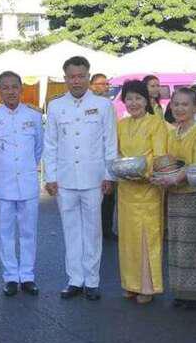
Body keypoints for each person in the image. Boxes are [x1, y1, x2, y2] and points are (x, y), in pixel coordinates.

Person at [43, 56, 117, 301]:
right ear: (65, 78)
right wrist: (50, 176)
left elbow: (110, 143)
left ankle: (92, 281)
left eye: (81, 76)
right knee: (70, 230)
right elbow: (50, 144)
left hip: (93, 178)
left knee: (93, 231)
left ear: (88, 77)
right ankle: (75, 279)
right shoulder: (55, 106)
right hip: (65, 179)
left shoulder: (103, 105)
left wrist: (109, 175)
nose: (76, 81)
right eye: (72, 77)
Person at [0, 71, 44, 296]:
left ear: (21, 89)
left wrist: (25, 168)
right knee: (5, 233)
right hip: (3, 183)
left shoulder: (34, 115)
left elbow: (38, 148)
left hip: (27, 183)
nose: (10, 91)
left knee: (29, 232)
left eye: (14, 87)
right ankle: (10, 276)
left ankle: (27, 276)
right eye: (5, 88)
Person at [153, 87, 196, 309]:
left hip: (193, 196)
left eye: (185, 104)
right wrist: (160, 173)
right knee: (176, 243)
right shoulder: (172, 132)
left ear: (195, 107)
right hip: (174, 195)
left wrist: (175, 178)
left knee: (193, 246)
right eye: (176, 104)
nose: (179, 108)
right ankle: (180, 290)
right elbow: (166, 160)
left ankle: (194, 295)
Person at [115, 80, 167, 304]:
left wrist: (143, 171)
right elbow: (116, 153)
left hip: (147, 189)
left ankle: (148, 287)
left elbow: (160, 155)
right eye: (129, 98)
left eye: (138, 98)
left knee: (147, 238)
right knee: (128, 239)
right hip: (126, 189)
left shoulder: (156, 123)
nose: (133, 103)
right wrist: (121, 169)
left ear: (147, 101)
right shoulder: (121, 125)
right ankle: (130, 284)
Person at [91, 73, 117, 240]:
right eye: (101, 84)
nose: (106, 87)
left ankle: (106, 229)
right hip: (92, 159)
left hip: (107, 156)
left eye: (107, 84)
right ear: (92, 86)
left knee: (108, 196)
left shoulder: (109, 104)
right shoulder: (88, 104)